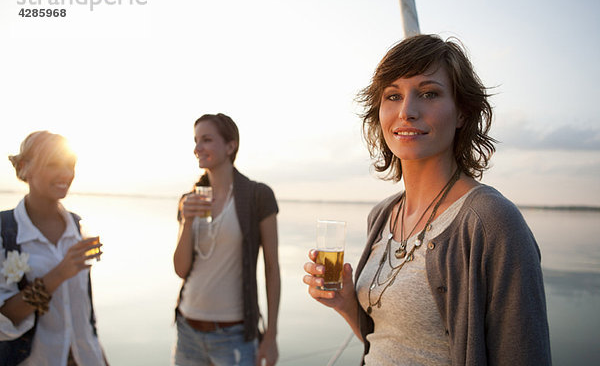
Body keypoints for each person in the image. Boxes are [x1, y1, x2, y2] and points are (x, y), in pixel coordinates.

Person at [303, 34, 552, 365]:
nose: (407, 111)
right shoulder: (382, 215)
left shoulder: (491, 222)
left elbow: (524, 355)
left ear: (462, 113)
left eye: (428, 93)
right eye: (393, 95)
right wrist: (347, 302)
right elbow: (386, 341)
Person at [173, 113, 280, 366]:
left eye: (207, 140)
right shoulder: (189, 200)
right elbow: (180, 269)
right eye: (196, 140)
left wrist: (271, 335)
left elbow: (272, 268)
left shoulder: (258, 196)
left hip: (235, 335)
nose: (197, 148)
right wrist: (187, 221)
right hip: (187, 329)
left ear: (231, 146)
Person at [0, 131, 105, 365]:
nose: (66, 174)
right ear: (25, 167)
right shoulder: (4, 231)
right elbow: (4, 318)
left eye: (70, 165)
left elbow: (84, 312)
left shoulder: (80, 227)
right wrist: (59, 273)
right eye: (53, 164)